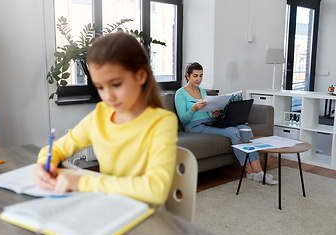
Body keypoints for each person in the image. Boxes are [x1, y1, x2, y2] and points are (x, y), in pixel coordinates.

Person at [32, 32, 178, 205]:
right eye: (100, 87)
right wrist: (43, 166)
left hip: (142, 217)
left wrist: (81, 182)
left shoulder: (162, 122)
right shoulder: (100, 115)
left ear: (141, 76)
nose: (108, 96)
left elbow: (156, 189)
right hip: (106, 205)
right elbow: (55, 149)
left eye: (116, 84)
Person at [174, 62, 277, 185]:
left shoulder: (202, 92)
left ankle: (258, 171)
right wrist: (194, 108)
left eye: (201, 76)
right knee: (233, 132)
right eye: (195, 76)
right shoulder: (180, 94)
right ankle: (250, 172)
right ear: (187, 76)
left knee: (245, 129)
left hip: (209, 122)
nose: (198, 79)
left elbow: (207, 113)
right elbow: (183, 120)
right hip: (194, 126)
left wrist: (213, 114)